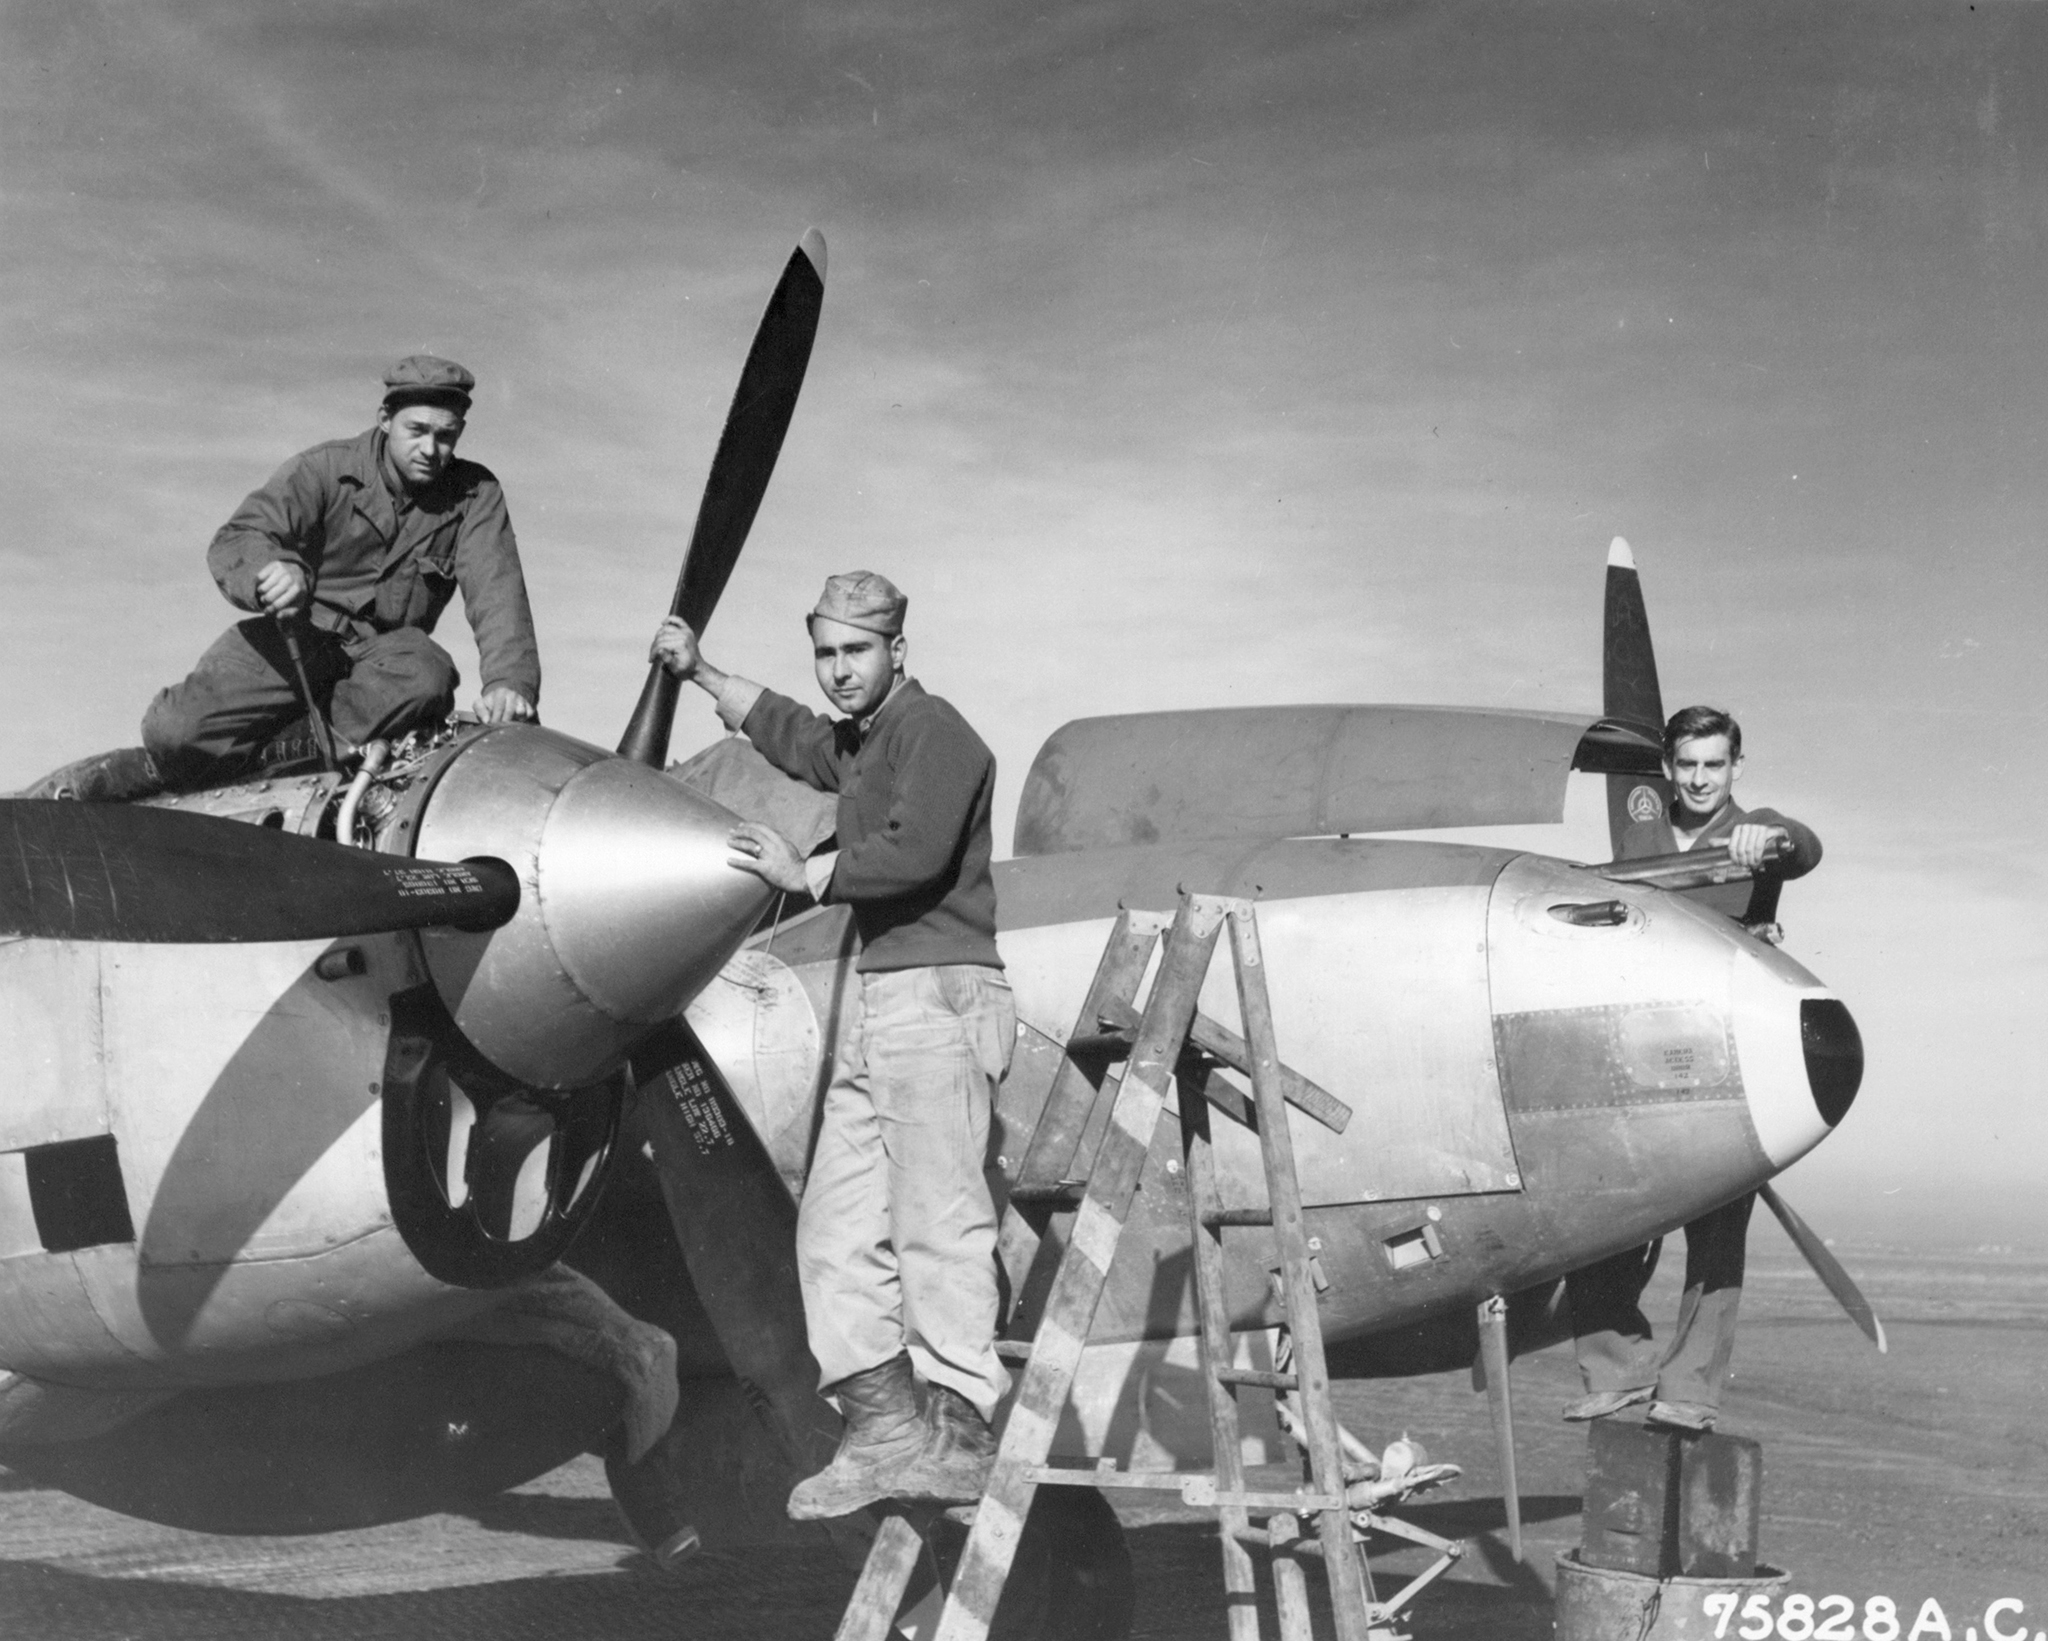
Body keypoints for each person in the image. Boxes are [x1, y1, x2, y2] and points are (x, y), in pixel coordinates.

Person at [650, 571, 1013, 1519]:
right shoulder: (862, 741)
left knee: (939, 1220)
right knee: (835, 1229)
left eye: (857, 651)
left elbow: (915, 849)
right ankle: (885, 1426)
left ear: (899, 650)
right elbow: (791, 735)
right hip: (875, 999)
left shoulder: (940, 734)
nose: (839, 671)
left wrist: (802, 872)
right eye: (825, 653)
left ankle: (962, 1426)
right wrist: (701, 673)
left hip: (938, 989)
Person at [37, 355, 541, 802]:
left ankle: (280, 761)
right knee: (174, 730)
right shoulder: (324, 469)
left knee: (427, 672)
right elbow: (240, 536)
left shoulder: (475, 493)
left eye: (446, 435)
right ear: (385, 420)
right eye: (418, 431)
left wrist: (509, 683)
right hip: (297, 636)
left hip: (381, 661)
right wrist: (270, 572)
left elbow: (498, 591)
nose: (432, 448)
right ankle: (161, 770)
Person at [1563, 704, 1823, 1433]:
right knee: (1603, 1210)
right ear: (1669, 767)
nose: (1701, 778)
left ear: (1735, 766)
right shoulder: (1644, 829)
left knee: (1714, 1235)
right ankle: (1615, 1368)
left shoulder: (1754, 825)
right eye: (1688, 764)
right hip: (1637, 1048)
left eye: (1715, 764)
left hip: (1717, 1056)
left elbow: (1803, 848)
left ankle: (1690, 1390)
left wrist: (1771, 839)